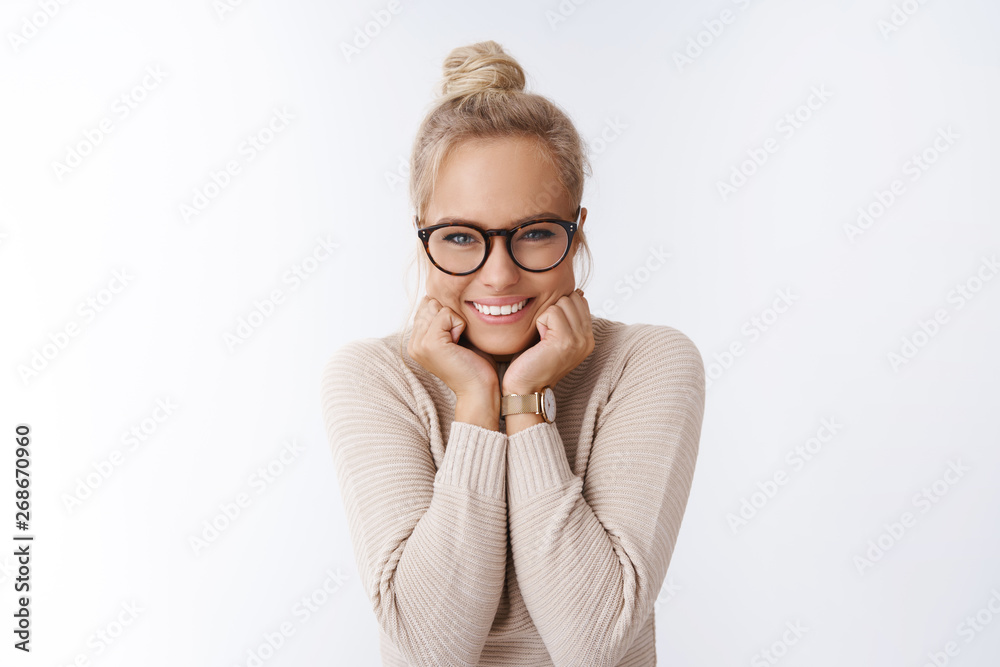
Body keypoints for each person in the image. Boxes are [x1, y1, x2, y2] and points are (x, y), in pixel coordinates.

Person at [321, 40, 706, 667]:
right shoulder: (374, 379)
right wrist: (476, 402)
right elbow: (428, 649)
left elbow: (594, 643)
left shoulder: (647, 363)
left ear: (576, 232)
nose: (498, 275)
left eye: (532, 233)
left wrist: (525, 404)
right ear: (422, 235)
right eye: (460, 237)